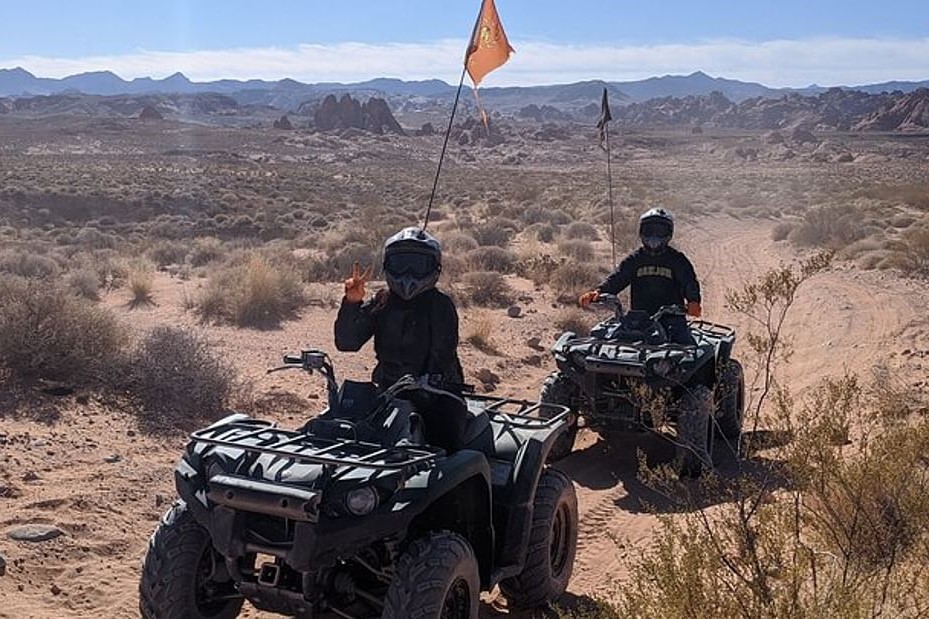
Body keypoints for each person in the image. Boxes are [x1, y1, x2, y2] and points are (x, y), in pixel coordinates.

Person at [334, 226, 466, 449]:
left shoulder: (440, 305)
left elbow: (442, 353)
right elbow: (347, 342)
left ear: (434, 267)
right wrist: (352, 303)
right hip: (387, 392)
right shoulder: (383, 301)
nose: (407, 274)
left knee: (442, 452)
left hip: (436, 395)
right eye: (401, 264)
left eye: (417, 266)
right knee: (347, 434)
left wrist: (429, 380)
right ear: (387, 265)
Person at [578, 208, 701, 345]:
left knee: (688, 352)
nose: (654, 237)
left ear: (668, 233)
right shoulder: (635, 259)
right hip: (639, 319)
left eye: (659, 231)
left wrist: (693, 301)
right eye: (649, 231)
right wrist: (599, 292)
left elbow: (689, 282)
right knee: (611, 344)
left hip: (672, 319)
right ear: (642, 232)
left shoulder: (677, 260)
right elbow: (618, 278)